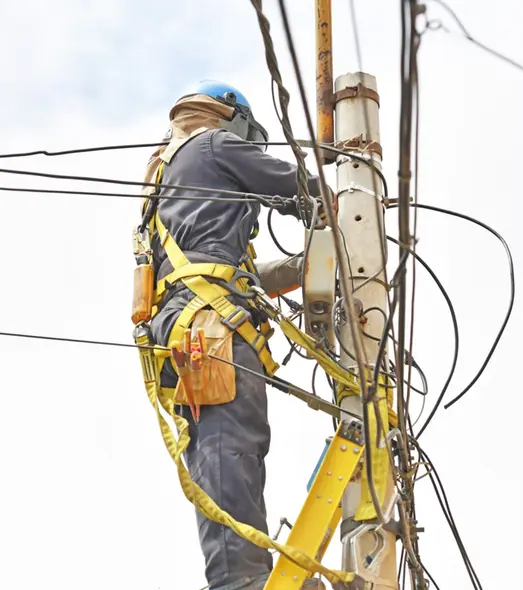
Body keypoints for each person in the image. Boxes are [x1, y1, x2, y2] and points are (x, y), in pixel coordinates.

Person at [140, 80, 329, 590]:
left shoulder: (165, 174)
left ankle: (241, 574)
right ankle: (241, 581)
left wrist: (301, 266)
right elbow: (303, 191)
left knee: (219, 449)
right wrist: (348, 211)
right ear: (233, 120)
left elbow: (231, 270)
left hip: (190, 320)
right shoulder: (214, 144)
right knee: (231, 446)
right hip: (208, 325)